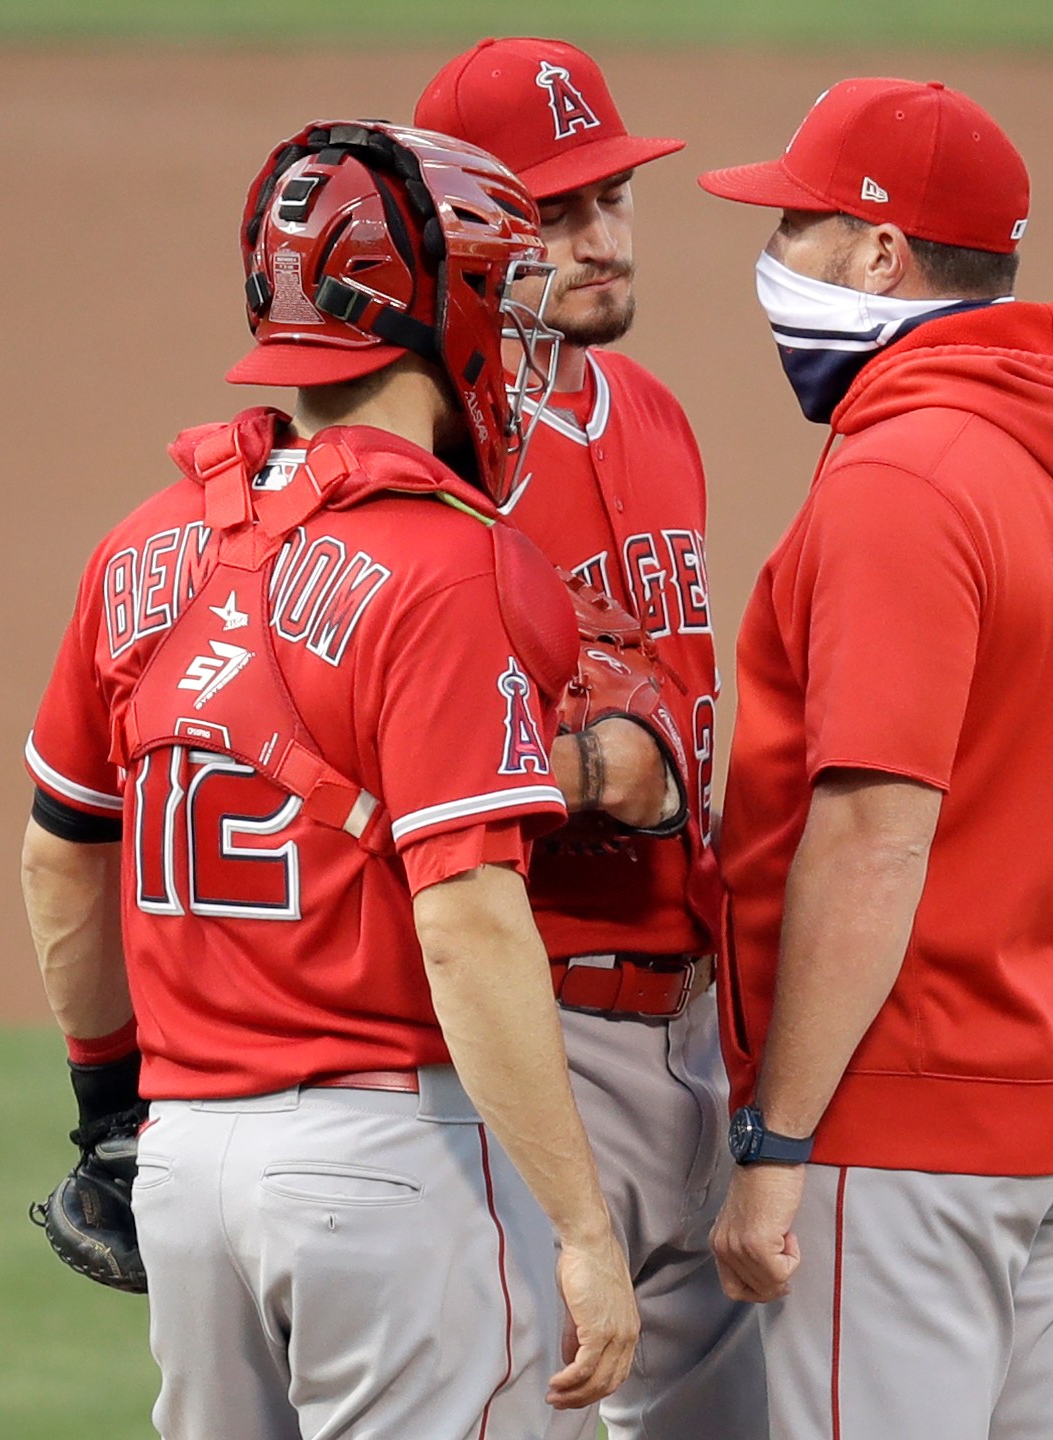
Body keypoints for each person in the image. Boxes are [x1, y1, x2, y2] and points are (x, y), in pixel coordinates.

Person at [19, 121, 638, 1439]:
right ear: (445, 308)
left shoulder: (142, 545)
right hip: (392, 1166)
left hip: (185, 1170)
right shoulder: (447, 569)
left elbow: (61, 852)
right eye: (501, 289)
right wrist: (585, 1227)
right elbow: (467, 921)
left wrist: (106, 1107)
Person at [696, 78, 1053, 1440]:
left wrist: (780, 1141)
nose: (771, 264)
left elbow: (872, 835)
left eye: (792, 228)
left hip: (907, 1115)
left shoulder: (904, 478)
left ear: (876, 251)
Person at [413, 38, 766, 1440]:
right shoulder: (437, 454)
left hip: (697, 1026)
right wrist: (570, 773)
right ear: (469, 234)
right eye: (558, 212)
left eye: (611, 198)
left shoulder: (655, 411)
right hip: (540, 1027)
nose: (603, 236)